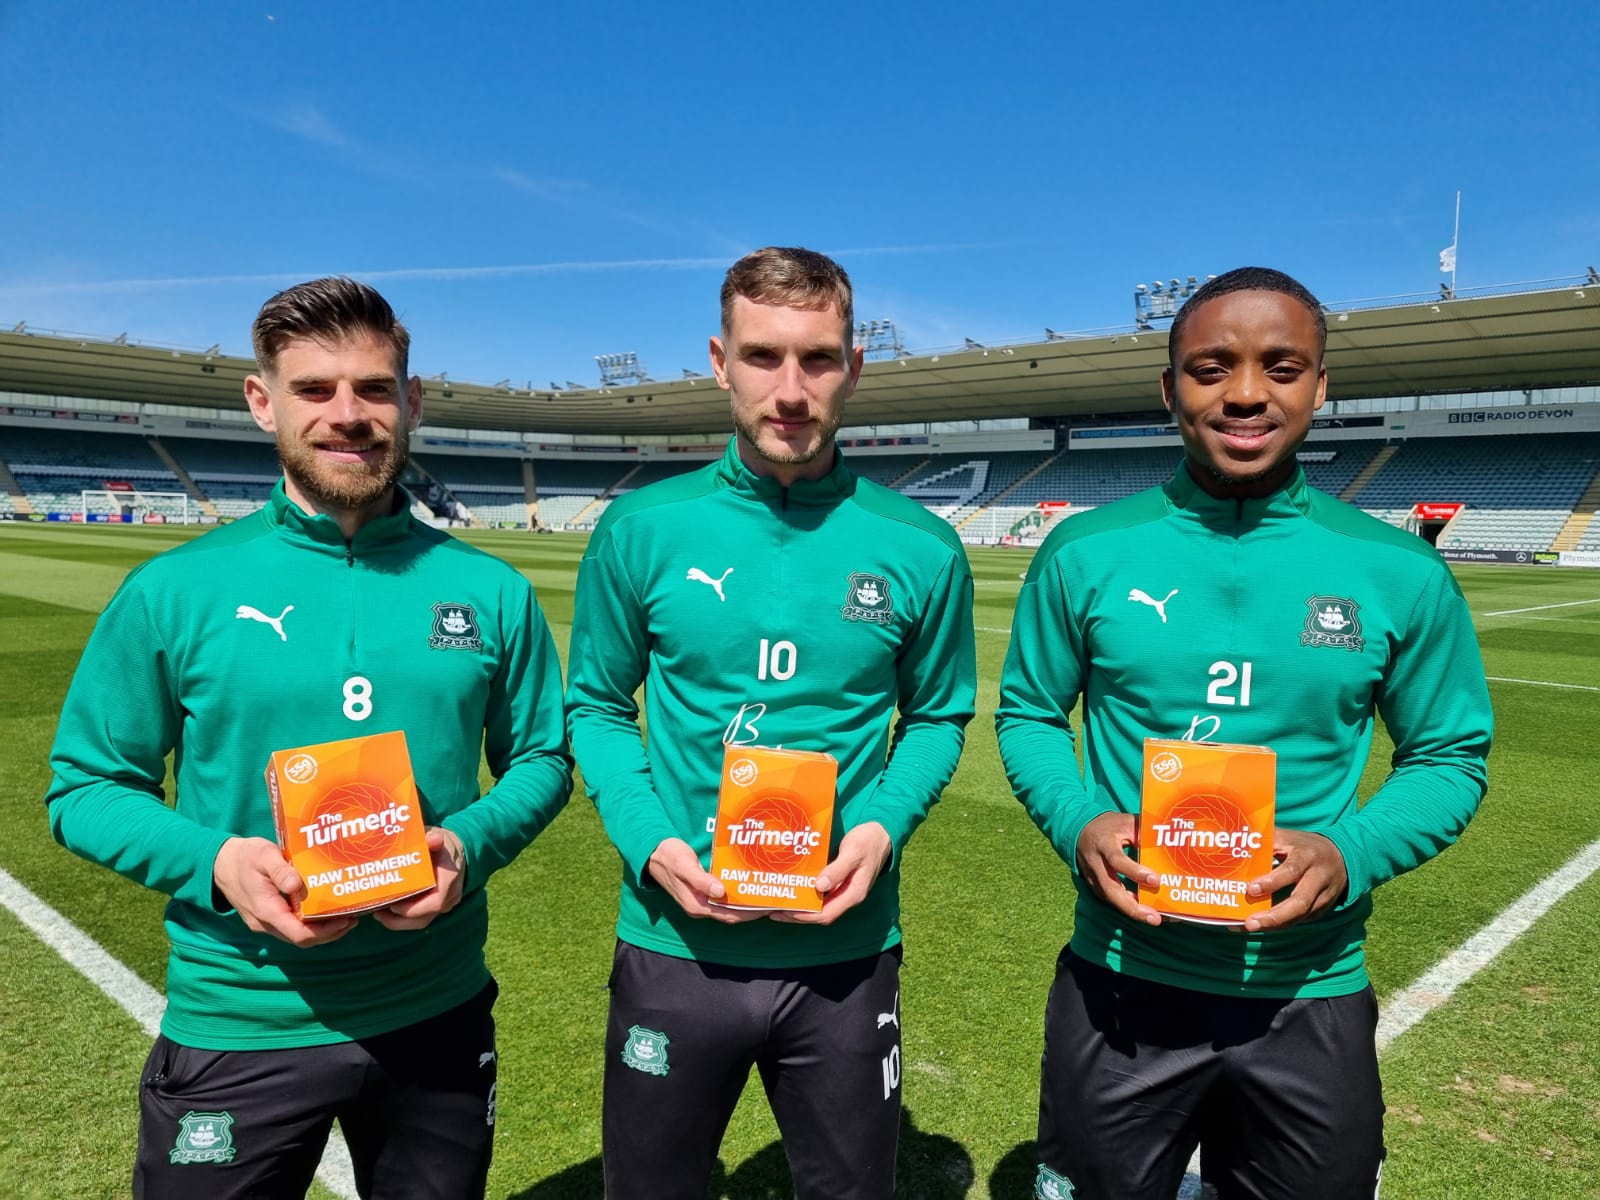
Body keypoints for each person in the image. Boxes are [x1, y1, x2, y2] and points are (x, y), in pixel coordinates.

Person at [45, 277, 573, 1199]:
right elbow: (84, 788)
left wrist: (465, 846)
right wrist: (218, 864)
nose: (348, 415)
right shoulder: (175, 591)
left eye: (373, 388)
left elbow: (542, 759)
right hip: (240, 1016)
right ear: (263, 402)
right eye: (314, 389)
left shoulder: (491, 591)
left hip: (435, 1011)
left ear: (410, 401)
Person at [996, 267, 1493, 1200]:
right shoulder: (1086, 552)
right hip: (1120, 986)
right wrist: (1079, 822)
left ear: (1320, 386)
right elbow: (1027, 714)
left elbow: (1449, 757)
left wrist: (1351, 850)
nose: (1247, 393)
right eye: (1212, 367)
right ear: (1170, 387)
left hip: (1308, 992)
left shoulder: (1395, 570)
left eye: (1282, 366)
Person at [566, 246, 976, 1199]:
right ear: (720, 360)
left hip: (844, 952)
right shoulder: (641, 530)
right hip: (675, 944)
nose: (790, 389)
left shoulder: (922, 546)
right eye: (762, 357)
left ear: (854, 366)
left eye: (819, 359)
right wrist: (649, 838)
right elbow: (592, 705)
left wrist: (879, 829)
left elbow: (941, 714)